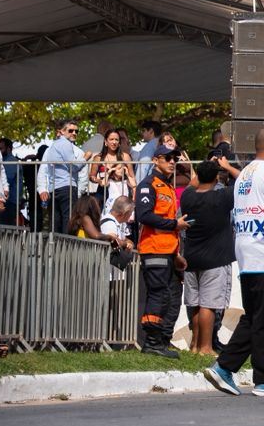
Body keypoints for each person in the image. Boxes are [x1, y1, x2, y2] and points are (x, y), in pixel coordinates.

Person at [205, 127, 264, 397]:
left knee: (256, 315)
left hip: (246, 250)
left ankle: (231, 368)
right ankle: (261, 377)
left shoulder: (245, 173)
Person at [134, 146, 186, 359]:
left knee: (171, 297)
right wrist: (175, 224)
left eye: (175, 158)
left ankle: (162, 341)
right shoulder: (148, 185)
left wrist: (176, 253)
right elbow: (143, 215)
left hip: (168, 251)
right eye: (168, 158)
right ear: (156, 160)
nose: (172, 161)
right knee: (159, 295)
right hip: (153, 248)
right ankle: (152, 343)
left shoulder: (167, 186)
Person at [179, 160, 235, 356]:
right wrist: (226, 167)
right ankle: (205, 347)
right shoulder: (222, 197)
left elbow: (191, 185)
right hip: (215, 259)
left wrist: (206, 169)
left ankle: (194, 346)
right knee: (208, 305)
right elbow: (244, 181)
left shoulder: (187, 197)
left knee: (194, 304)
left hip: (191, 258)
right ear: (216, 178)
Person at [37, 119, 85, 233]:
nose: (74, 133)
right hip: (65, 188)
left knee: (55, 223)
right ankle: (65, 249)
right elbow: (75, 166)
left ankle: (55, 249)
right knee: (67, 222)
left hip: (56, 189)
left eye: (76, 131)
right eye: (71, 130)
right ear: (61, 132)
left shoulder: (55, 146)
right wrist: (86, 158)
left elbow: (83, 178)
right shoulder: (63, 145)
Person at [90, 128, 135, 210]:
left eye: (116, 140)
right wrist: (99, 181)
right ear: (106, 142)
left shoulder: (125, 156)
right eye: (111, 139)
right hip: (103, 192)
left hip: (121, 192)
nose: (114, 142)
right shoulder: (98, 158)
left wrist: (133, 192)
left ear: (119, 143)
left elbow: (132, 176)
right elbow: (92, 176)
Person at [133, 120, 163, 185]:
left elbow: (143, 167)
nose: (142, 133)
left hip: (146, 184)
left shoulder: (150, 146)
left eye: (144, 131)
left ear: (151, 131)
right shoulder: (159, 144)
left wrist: (138, 186)